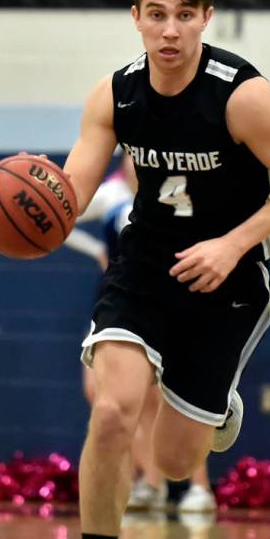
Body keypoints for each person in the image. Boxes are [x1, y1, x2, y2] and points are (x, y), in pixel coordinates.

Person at [55, 0, 270, 539]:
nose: (168, 30)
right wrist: (40, 204)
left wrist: (234, 243)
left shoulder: (243, 96)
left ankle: (216, 407)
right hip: (144, 265)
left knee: (177, 462)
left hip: (227, 276)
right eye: (155, 14)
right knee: (113, 412)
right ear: (136, 18)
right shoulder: (116, 93)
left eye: (183, 14)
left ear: (206, 17)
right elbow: (76, 191)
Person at [68, 155, 217, 514]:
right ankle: (151, 481)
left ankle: (199, 488)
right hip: (117, 299)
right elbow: (62, 218)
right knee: (105, 395)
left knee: (165, 400)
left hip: (169, 300)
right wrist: (96, 251)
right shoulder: (110, 194)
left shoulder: (175, 190)